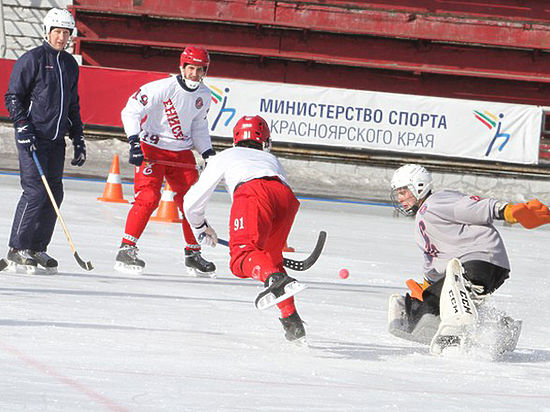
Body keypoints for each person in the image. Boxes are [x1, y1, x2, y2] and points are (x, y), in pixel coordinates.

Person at [387, 164, 550, 355]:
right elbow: (433, 257)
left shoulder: (437, 201)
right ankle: (498, 328)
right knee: (426, 308)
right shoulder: (422, 219)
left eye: (403, 192)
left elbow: (472, 206)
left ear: (419, 186)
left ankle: (454, 335)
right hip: (462, 268)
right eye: (398, 193)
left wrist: (508, 211)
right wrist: (427, 286)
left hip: (481, 258)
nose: (400, 198)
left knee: (454, 291)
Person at [183, 115, 306, 342]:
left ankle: (274, 280)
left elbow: (191, 201)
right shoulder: (271, 158)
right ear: (265, 141)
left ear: (235, 138)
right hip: (286, 198)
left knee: (241, 259)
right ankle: (291, 320)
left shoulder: (225, 156)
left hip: (254, 193)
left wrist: (200, 226)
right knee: (271, 259)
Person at [115, 46, 216, 276]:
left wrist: (207, 152)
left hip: (181, 153)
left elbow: (199, 126)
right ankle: (126, 248)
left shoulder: (204, 95)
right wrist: (133, 142)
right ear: (182, 67)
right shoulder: (162, 87)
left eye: (200, 70)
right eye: (191, 68)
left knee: (192, 202)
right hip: (152, 150)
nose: (194, 74)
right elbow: (130, 111)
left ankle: (193, 253)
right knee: (149, 197)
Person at [3, 8, 86, 274]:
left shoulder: (70, 64)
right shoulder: (32, 59)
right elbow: (13, 97)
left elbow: (72, 104)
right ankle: (17, 248)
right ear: (47, 31)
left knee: (55, 192)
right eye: (58, 31)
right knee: (36, 192)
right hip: (33, 137)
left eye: (66, 32)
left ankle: (37, 248)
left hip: (55, 139)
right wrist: (23, 126)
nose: (62, 37)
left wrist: (79, 137)